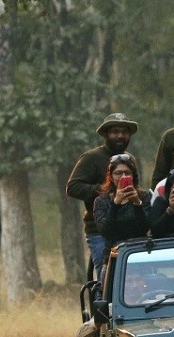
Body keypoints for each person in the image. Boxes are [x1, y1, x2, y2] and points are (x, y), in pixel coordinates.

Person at [66, 112, 139, 285]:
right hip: (99, 228)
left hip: (128, 227)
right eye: (115, 131)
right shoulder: (91, 158)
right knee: (106, 278)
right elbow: (72, 187)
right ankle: (103, 310)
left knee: (134, 277)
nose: (120, 135)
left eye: (124, 131)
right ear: (106, 134)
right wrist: (106, 191)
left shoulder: (130, 160)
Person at [92, 154, 151, 266]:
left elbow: (145, 227)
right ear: (110, 176)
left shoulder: (144, 197)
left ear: (133, 175)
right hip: (114, 258)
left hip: (140, 254)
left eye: (127, 173)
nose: (123, 177)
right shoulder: (101, 201)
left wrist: (137, 203)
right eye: (118, 173)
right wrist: (115, 204)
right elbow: (105, 231)